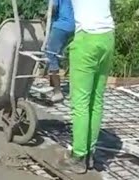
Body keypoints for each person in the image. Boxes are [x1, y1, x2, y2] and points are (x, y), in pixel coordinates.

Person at [57, 0, 115, 174]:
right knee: (96, 100)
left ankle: (78, 156)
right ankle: (90, 153)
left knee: (80, 102)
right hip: (107, 37)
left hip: (87, 38)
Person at [45, 0, 75, 103]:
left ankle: (57, 92)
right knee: (56, 55)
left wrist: (45, 16)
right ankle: (53, 87)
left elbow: (53, 7)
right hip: (73, 24)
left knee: (50, 54)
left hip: (61, 25)